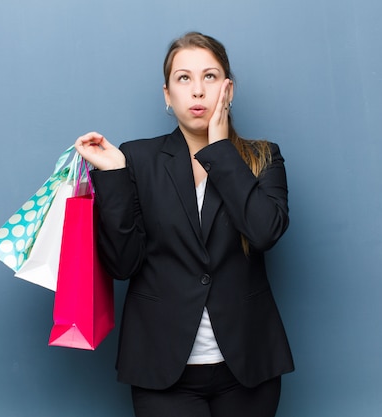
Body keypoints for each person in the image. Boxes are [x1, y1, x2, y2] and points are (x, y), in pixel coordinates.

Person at [75, 32, 294, 417]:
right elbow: (123, 265)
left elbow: (265, 232)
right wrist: (112, 175)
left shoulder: (263, 156)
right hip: (160, 367)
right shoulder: (136, 158)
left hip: (248, 366)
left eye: (209, 77)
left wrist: (219, 150)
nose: (197, 91)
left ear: (228, 89)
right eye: (184, 79)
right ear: (166, 94)